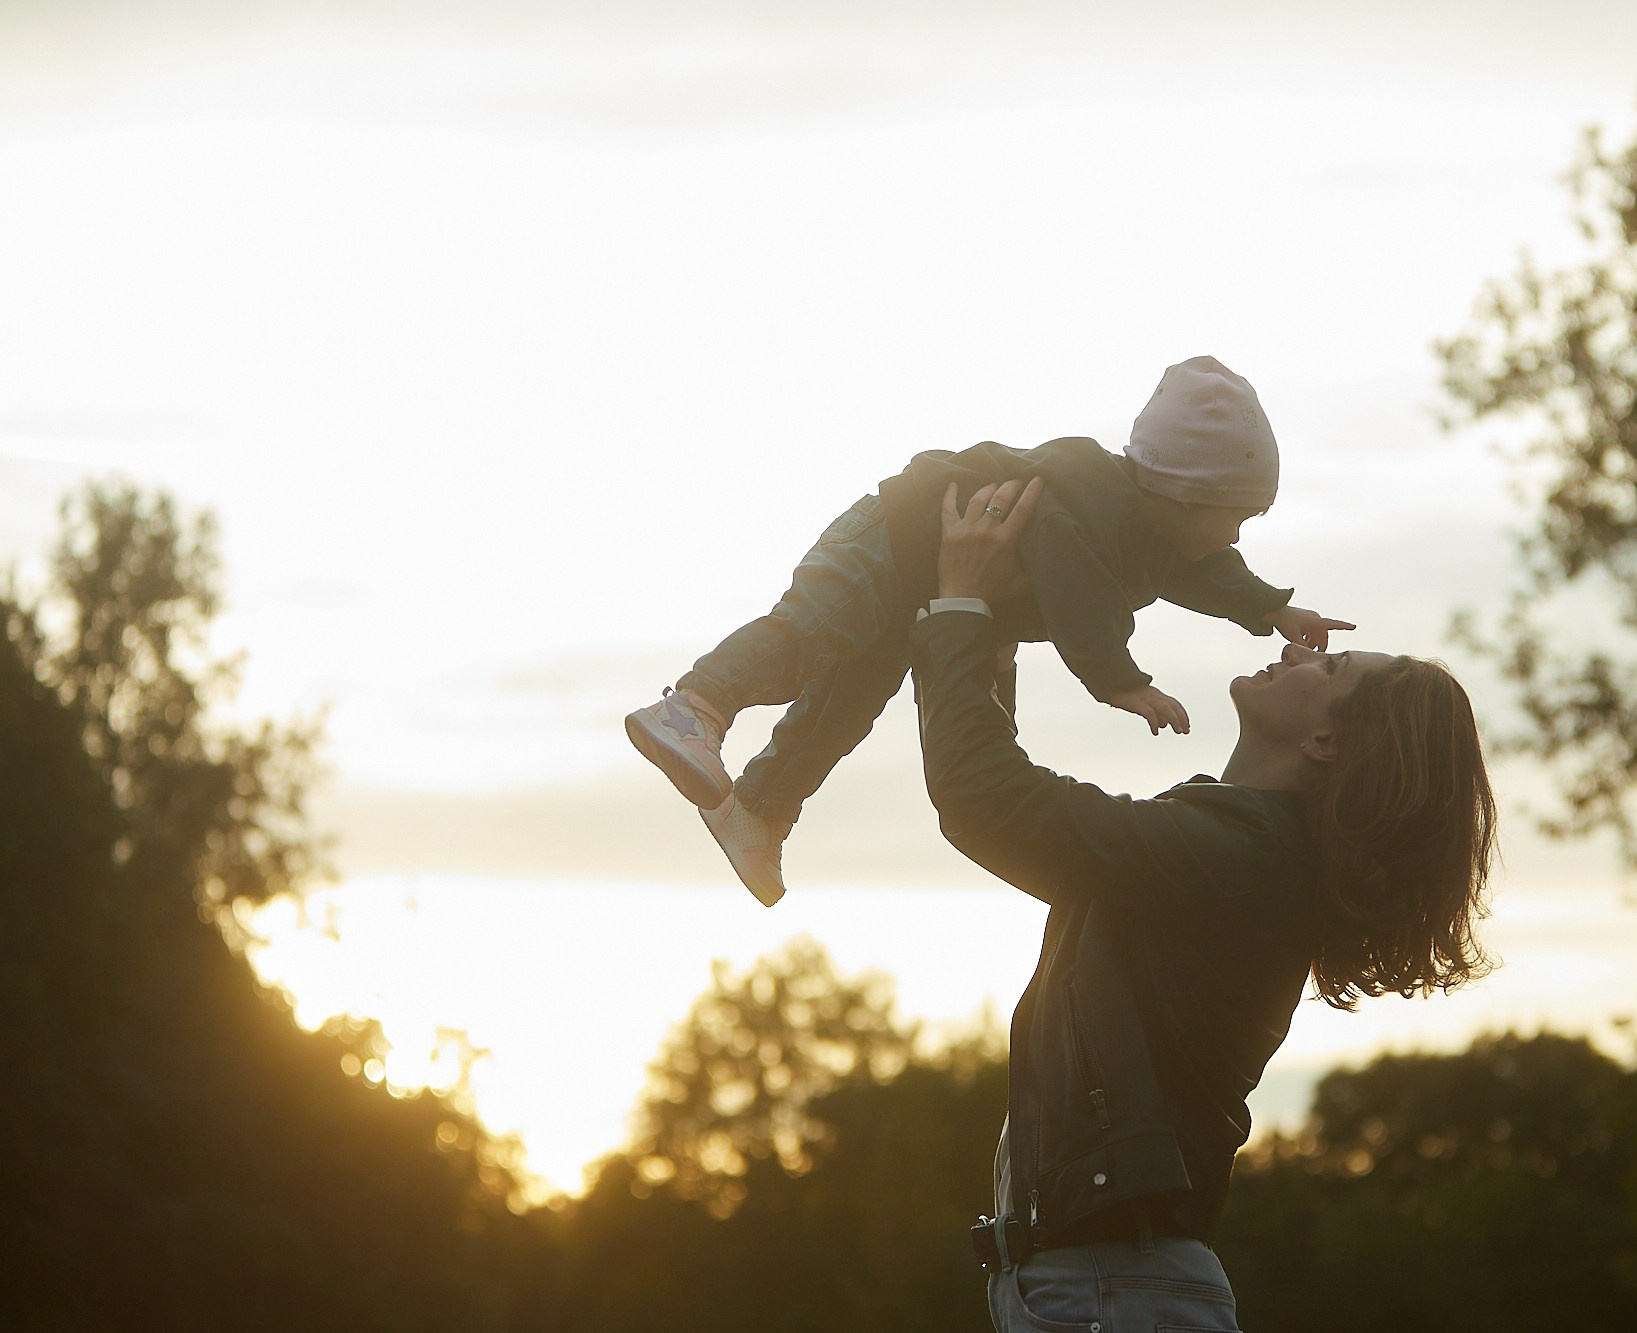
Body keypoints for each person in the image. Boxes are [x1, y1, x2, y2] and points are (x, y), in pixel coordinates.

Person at [912, 476, 1497, 1332]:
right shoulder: (1237, 850)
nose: (1299, 649)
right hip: (1101, 1291)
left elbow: (984, 798)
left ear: (1327, 741)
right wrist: (984, 627)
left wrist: (960, 605)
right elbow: (1002, 798)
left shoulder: (1237, 856)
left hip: (1112, 1294)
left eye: (1327, 666)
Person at [625, 357, 1349, 905]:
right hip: (888, 541)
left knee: (847, 706)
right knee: (806, 641)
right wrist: (1119, 680)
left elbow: (1207, 569)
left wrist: (1272, 610)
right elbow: (1075, 585)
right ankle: (695, 705)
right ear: (1185, 494)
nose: (1237, 534)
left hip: (925, 591)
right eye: (1237, 516)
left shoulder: (1163, 533)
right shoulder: (1092, 503)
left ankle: (758, 811)